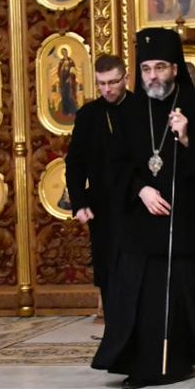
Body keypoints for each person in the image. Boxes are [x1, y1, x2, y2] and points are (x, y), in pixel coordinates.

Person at [92, 28, 195, 389]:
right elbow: (114, 164)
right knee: (146, 298)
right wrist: (140, 189)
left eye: (160, 67)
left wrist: (188, 138)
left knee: (188, 294)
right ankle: (149, 362)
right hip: (142, 227)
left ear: (175, 68)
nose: (153, 76)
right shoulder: (129, 112)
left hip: (187, 227)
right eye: (146, 69)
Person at [66, 55, 133, 303]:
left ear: (125, 78)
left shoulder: (142, 108)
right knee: (109, 274)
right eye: (101, 83)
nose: (107, 89)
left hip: (137, 204)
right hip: (102, 207)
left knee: (139, 272)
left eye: (113, 82)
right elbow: (74, 163)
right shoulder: (88, 115)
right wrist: (79, 202)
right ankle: (114, 332)